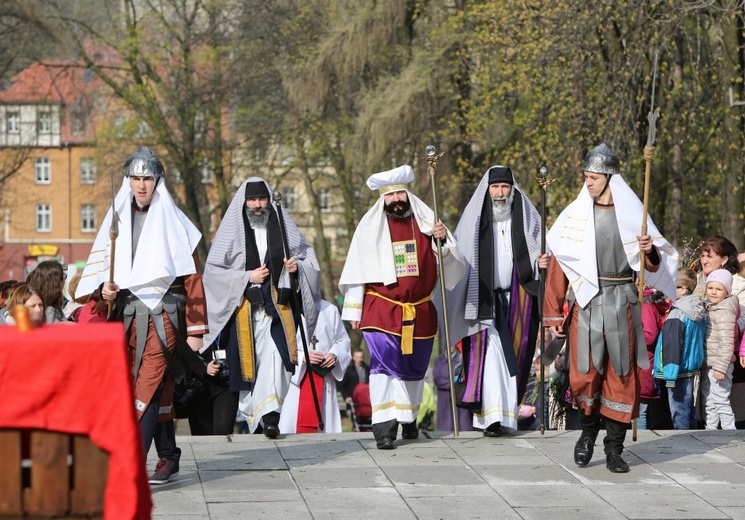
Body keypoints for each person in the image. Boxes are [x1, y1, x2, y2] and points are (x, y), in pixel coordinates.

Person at [76, 147, 209, 485]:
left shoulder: (174, 221)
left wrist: (196, 330)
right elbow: (104, 275)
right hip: (126, 315)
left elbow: (192, 276)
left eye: (147, 178)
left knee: (147, 385)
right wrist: (102, 292)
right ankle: (168, 456)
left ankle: (129, 465)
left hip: (165, 314)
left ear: (157, 181)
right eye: (135, 178)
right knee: (147, 388)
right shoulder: (116, 220)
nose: (140, 185)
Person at [543, 143, 677, 473]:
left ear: (608, 178)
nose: (587, 183)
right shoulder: (575, 216)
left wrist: (648, 249)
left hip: (622, 302)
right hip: (586, 304)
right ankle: (587, 436)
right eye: (585, 177)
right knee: (586, 374)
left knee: (621, 376)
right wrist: (552, 315)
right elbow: (561, 264)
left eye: (592, 177)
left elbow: (656, 264)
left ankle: (615, 448)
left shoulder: (633, 216)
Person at [338, 164, 464, 450]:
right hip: (381, 309)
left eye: (399, 194)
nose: (396, 199)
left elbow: (450, 263)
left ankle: (408, 418)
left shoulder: (426, 223)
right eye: (390, 195)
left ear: (407, 195)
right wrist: (354, 309)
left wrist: (441, 241)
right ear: (382, 199)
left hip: (419, 310)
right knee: (384, 365)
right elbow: (358, 269)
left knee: (413, 367)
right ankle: (384, 427)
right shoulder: (370, 229)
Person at [202, 178, 321, 438]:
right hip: (244, 313)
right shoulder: (232, 232)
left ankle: (271, 417)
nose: (257, 205)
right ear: (244, 203)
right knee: (248, 368)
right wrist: (246, 277)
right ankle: (258, 418)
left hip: (278, 309)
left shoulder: (282, 227)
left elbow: (307, 258)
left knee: (278, 359)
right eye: (252, 200)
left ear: (269, 201)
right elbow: (212, 275)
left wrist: (296, 268)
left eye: (262, 199)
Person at [445, 165, 546, 436]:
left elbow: (537, 251)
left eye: (505, 188)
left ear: (512, 190)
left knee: (512, 357)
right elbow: (458, 256)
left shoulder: (524, 217)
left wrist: (541, 262)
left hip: (517, 302)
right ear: (487, 191)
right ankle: (489, 419)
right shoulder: (474, 221)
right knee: (489, 360)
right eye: (495, 188)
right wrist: (442, 242)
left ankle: (505, 417)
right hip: (483, 303)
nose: (500, 193)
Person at [279, 300, 352, 433]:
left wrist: (334, 354)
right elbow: (281, 344)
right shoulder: (287, 308)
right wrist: (302, 356)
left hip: (324, 376)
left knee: (325, 427)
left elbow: (343, 341)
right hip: (296, 380)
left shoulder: (330, 309)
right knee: (292, 424)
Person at [654, 268, 705, 429]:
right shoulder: (696, 309)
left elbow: (672, 345)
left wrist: (669, 374)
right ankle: (692, 438)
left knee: (678, 411)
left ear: (682, 288)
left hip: (676, 370)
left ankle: (682, 443)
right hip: (689, 367)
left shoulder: (677, 314)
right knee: (688, 407)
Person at [702, 269, 739, 430]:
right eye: (711, 288)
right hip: (710, 363)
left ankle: (729, 433)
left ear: (727, 292)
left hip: (719, 365)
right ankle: (710, 431)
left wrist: (721, 367)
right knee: (709, 401)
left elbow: (727, 342)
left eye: (719, 289)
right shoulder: (711, 307)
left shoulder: (724, 311)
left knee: (721, 400)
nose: (714, 292)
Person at [432, 344, 474, 432]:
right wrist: (452, 384)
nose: (450, 347)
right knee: (446, 424)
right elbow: (437, 379)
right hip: (445, 398)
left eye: (452, 344)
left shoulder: (461, 359)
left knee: (463, 422)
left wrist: (456, 385)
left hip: (459, 395)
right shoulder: (438, 361)